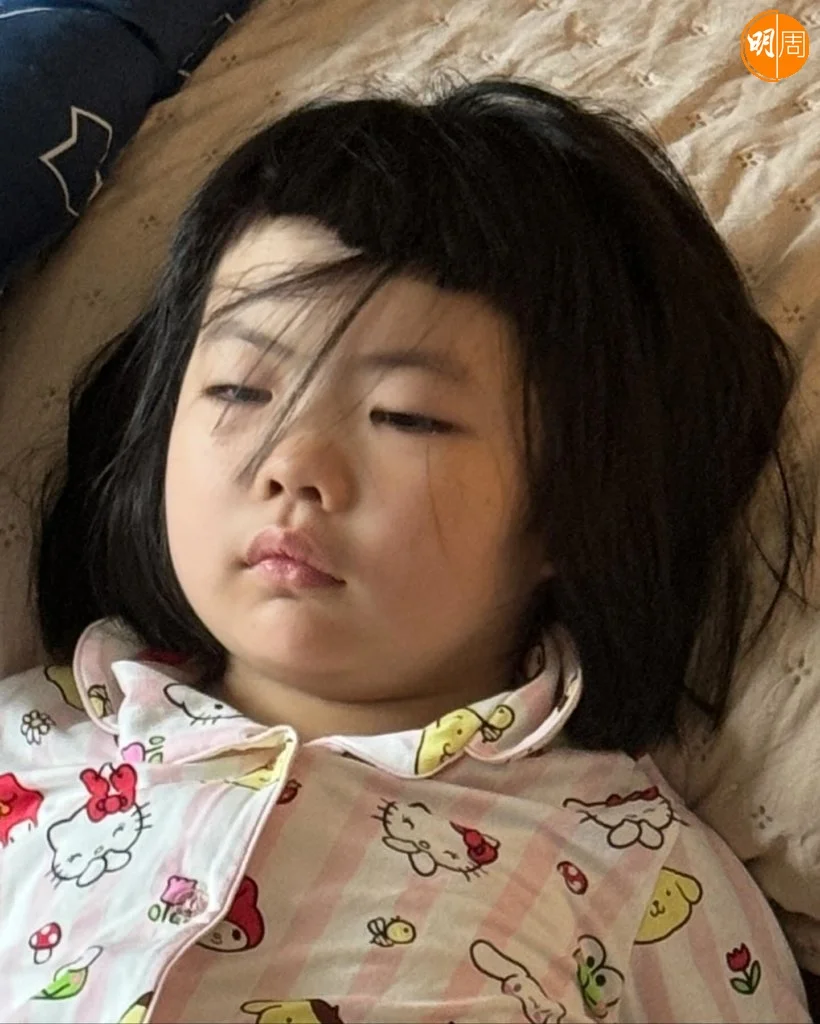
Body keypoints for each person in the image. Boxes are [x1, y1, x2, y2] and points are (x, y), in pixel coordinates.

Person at [0, 78, 815, 1023]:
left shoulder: (640, 875)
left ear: (577, 503)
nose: (294, 465)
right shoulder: (28, 744)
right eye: (239, 390)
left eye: (408, 417)